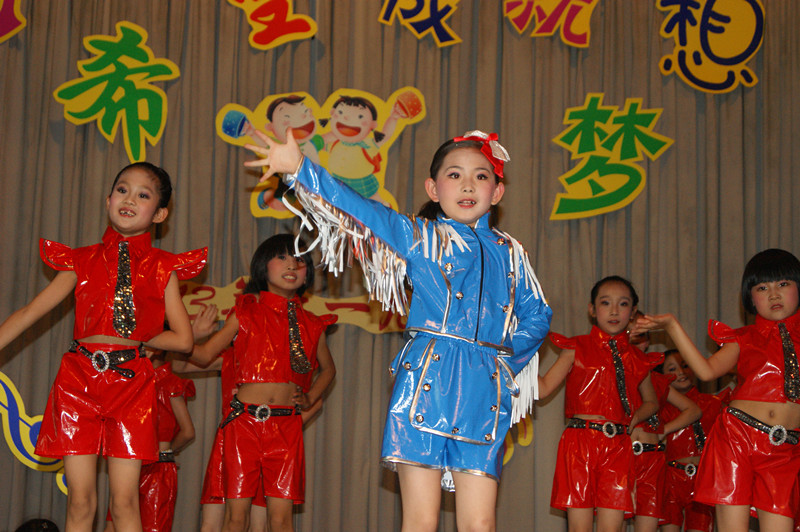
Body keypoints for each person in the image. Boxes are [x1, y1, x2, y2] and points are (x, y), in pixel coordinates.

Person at [244, 128, 552, 532]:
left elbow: (538, 314)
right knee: (420, 521)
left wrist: (505, 362)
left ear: (497, 192)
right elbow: (363, 210)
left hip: (484, 392)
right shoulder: (421, 237)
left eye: (481, 176)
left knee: (481, 524)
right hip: (427, 382)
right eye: (454, 174)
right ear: (433, 188)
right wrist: (302, 168)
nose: (467, 185)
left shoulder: (512, 253)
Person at [0, 162, 206, 532]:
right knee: (80, 501)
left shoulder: (163, 268)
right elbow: (30, 312)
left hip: (131, 385)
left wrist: (134, 332)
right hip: (78, 381)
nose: (130, 199)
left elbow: (183, 340)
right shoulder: (81, 260)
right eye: (122, 190)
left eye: (143, 195)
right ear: (108, 199)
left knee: (124, 501)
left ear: (160, 214)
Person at [635, 248, 800, 532]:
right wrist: (672, 326)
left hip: (786, 449)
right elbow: (706, 371)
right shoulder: (743, 338)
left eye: (783, 284)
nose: (774, 294)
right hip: (737, 439)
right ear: (750, 298)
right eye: (762, 288)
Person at [188, 234, 336, 532]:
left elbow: (329, 370)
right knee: (236, 518)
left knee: (281, 520)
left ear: (308, 272)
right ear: (262, 266)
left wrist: (310, 397)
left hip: (286, 427)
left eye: (300, 260)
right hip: (243, 424)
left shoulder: (313, 323)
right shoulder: (244, 311)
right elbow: (203, 355)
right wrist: (190, 334)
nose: (292, 265)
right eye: (282, 257)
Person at [537, 276, 662, 532]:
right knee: (579, 527)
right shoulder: (576, 347)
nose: (614, 311)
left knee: (612, 527)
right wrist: (521, 355)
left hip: (618, 446)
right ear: (592, 309)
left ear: (633, 312)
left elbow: (652, 401)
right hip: (579, 444)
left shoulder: (638, 359)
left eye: (623, 304)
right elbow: (543, 388)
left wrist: (635, 418)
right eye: (605, 303)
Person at [105, 347, 196, 532]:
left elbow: (187, 432)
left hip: (154, 468)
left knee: (143, 524)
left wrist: (166, 452)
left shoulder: (169, 382)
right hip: (132, 462)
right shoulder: (132, 379)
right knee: (116, 520)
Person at [658, 349, 728, 532]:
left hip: (702, 479)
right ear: (662, 375)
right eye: (672, 369)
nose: (681, 372)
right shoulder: (661, 407)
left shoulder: (714, 403)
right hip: (671, 479)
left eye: (685, 366)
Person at [627, 362, 700, 532]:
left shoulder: (657, 380)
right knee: (615, 523)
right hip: (622, 456)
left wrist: (663, 430)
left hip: (652, 459)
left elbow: (693, 410)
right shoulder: (614, 371)